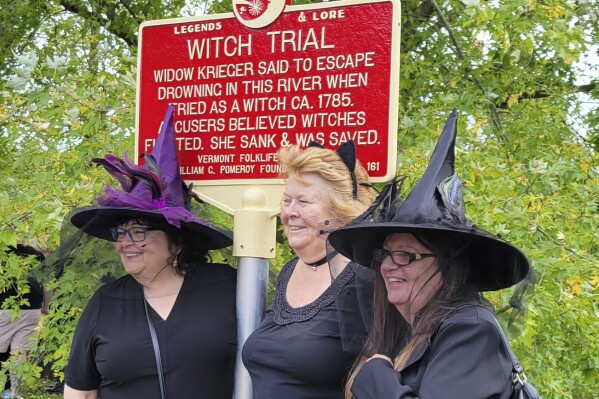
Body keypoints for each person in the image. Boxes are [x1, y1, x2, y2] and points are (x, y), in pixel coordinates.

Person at [328, 110, 533, 399]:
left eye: (405, 255)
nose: (387, 266)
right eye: (385, 254)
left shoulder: (470, 331)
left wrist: (375, 376)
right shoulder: (413, 329)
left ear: (447, 266)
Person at [58, 105, 236, 399]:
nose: (124, 243)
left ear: (176, 243)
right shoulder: (105, 303)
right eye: (120, 232)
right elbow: (81, 392)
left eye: (139, 232)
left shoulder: (224, 286)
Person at [242, 141, 376, 398]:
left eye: (303, 202)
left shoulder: (366, 278)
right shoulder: (290, 271)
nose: (290, 212)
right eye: (286, 200)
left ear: (342, 210)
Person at [0, 244, 50, 399]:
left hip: (5, 308)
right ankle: (13, 393)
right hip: (31, 310)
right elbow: (47, 284)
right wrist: (46, 306)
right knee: (20, 352)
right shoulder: (37, 255)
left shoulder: (3, 252)